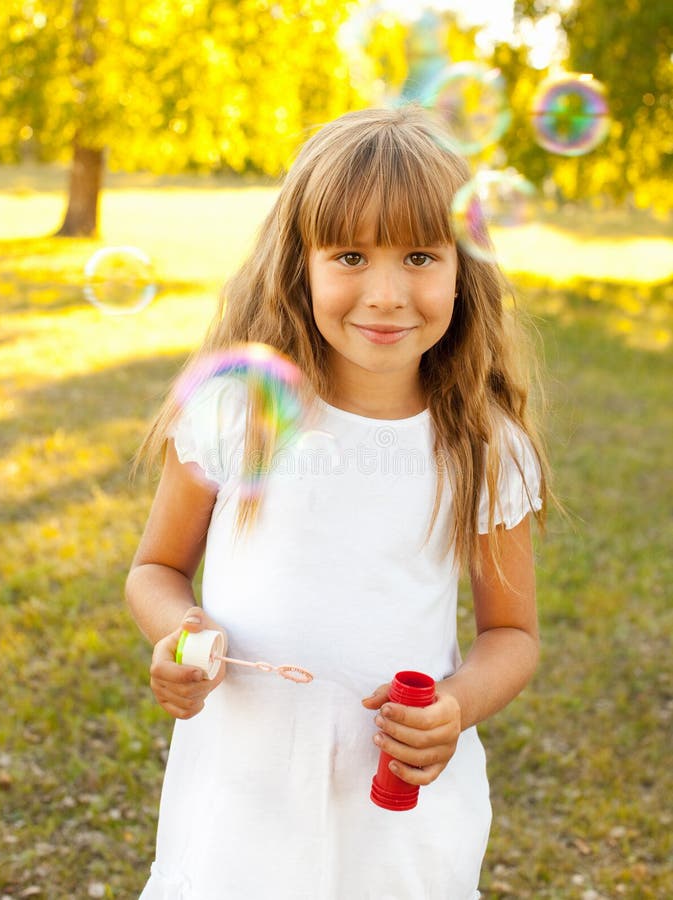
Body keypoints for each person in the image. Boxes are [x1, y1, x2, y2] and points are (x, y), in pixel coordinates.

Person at [126, 105, 549, 900]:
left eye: (419, 256)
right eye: (350, 254)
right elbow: (155, 568)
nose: (385, 294)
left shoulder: (483, 447)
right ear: (301, 264)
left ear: (464, 267)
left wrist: (452, 707)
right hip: (242, 800)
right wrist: (178, 634)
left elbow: (511, 633)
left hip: (396, 815)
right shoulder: (236, 411)